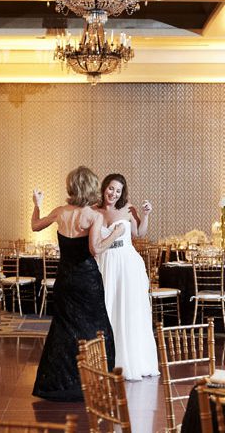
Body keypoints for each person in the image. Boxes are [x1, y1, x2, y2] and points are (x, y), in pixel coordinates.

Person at [30, 166, 125, 401]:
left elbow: (35, 225)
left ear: (71, 186)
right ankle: (94, 382)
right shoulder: (94, 216)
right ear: (92, 187)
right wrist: (117, 232)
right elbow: (96, 249)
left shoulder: (60, 212)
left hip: (64, 280)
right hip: (87, 282)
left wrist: (37, 204)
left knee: (63, 331)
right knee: (97, 330)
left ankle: (57, 386)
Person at [94, 174, 159, 381]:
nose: (113, 194)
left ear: (123, 193)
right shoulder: (95, 210)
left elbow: (139, 233)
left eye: (118, 191)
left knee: (128, 310)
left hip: (127, 264)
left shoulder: (128, 209)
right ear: (104, 188)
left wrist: (146, 214)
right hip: (105, 262)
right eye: (111, 189)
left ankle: (131, 361)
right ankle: (107, 359)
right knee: (107, 307)